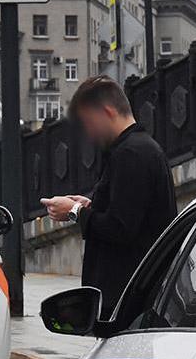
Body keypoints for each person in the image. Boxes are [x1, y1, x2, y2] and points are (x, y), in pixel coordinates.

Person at [42, 75, 176, 314]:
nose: (88, 133)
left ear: (108, 111)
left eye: (89, 122)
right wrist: (91, 205)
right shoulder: (137, 149)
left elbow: (121, 227)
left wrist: (74, 212)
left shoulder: (131, 154)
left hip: (128, 300)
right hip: (133, 296)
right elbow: (130, 211)